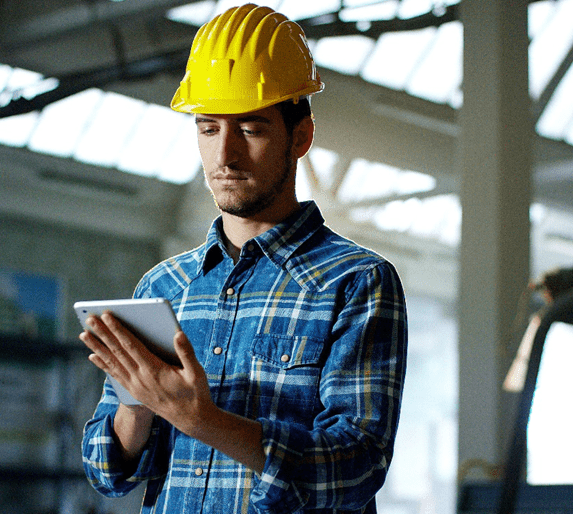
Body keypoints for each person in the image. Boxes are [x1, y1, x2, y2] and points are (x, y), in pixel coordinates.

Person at [79, 4, 408, 513]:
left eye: (250, 129)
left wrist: (198, 418)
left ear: (300, 136)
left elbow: (355, 466)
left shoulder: (357, 282)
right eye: (208, 129)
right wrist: (138, 405)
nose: (224, 155)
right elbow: (108, 473)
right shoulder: (163, 287)